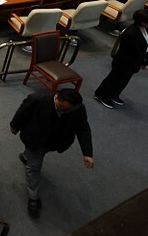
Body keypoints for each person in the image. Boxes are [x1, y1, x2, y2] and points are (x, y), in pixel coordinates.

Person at [10, 88, 94, 217]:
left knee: (34, 158)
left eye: (69, 110)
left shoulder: (77, 108)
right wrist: (15, 126)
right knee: (34, 167)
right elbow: (23, 112)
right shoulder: (38, 99)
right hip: (35, 139)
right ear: (57, 98)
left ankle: (27, 156)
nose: (66, 113)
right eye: (63, 109)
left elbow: (83, 129)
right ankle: (33, 197)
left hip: (54, 143)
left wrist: (87, 153)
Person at [94, 9, 148, 108]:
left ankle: (113, 94)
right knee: (114, 79)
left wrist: (147, 62)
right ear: (143, 22)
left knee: (124, 80)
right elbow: (138, 53)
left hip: (133, 63)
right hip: (123, 62)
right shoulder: (131, 34)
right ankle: (101, 95)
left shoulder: (146, 29)